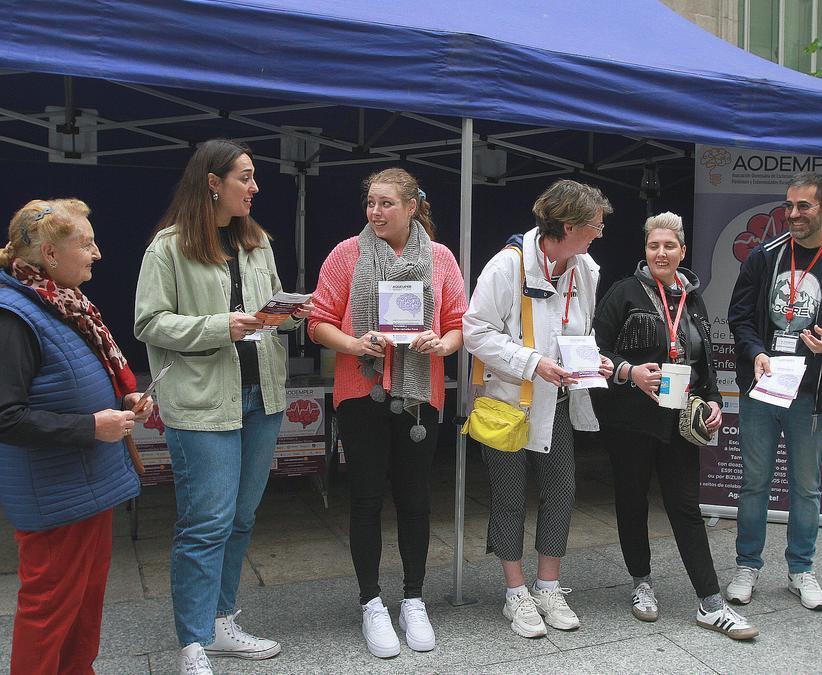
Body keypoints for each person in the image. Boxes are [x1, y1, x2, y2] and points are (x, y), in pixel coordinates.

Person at [134, 139, 310, 675]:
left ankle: (221, 622)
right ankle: (192, 640)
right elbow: (149, 322)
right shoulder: (167, 248)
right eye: (246, 178)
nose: (255, 188)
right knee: (205, 521)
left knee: (240, 517)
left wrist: (288, 315)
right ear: (213, 182)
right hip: (203, 403)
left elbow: (272, 301)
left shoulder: (258, 244)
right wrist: (220, 327)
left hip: (262, 397)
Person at [0, 198, 149, 674]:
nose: (98, 253)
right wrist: (92, 426)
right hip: (54, 493)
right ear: (48, 254)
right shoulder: (7, 315)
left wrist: (120, 403)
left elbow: (65, 383)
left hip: (84, 484)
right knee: (49, 614)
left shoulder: (58, 302)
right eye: (85, 244)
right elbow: (0, 417)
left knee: (84, 606)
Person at [308, 167, 467, 658]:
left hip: (421, 397)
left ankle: (414, 598)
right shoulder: (347, 253)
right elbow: (316, 322)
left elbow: (460, 323)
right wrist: (355, 343)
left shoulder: (439, 258)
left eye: (385, 204)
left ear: (412, 207)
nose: (375, 212)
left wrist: (442, 345)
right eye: (371, 203)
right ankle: (371, 601)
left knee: (417, 500)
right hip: (362, 392)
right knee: (367, 500)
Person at [592, 212, 757, 640]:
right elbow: (595, 350)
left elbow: (704, 363)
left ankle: (710, 602)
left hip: (681, 421)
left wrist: (717, 402)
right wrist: (630, 372)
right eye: (653, 246)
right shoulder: (624, 292)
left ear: (682, 251)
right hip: (629, 418)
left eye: (669, 246)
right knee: (632, 500)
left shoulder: (693, 298)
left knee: (685, 506)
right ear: (644, 251)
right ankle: (641, 583)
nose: (660, 253)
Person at [463, 179, 614, 638]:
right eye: (594, 226)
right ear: (566, 226)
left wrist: (593, 359)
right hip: (508, 404)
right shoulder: (506, 267)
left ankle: (548, 586)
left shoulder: (585, 268)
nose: (599, 233)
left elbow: (577, 330)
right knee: (509, 500)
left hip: (560, 401)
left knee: (561, 494)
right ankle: (515, 593)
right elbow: (475, 331)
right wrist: (532, 363)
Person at [725, 172, 822, 610]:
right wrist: (754, 351)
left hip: (811, 395)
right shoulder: (764, 256)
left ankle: (801, 569)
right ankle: (746, 565)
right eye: (789, 206)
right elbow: (740, 318)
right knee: (754, 483)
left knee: (806, 487)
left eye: (803, 207)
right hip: (762, 389)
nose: (793, 214)